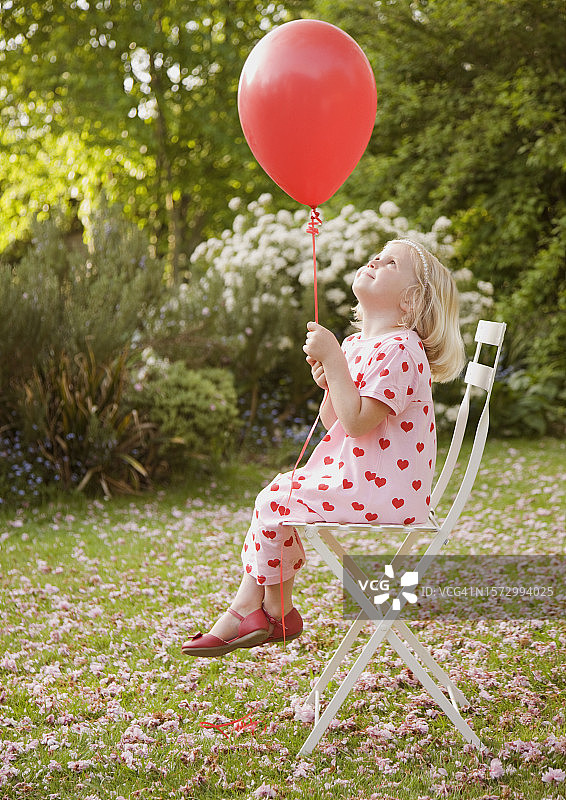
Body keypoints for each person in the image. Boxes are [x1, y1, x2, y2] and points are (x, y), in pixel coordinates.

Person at [181, 238, 465, 657]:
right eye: (378, 255)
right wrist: (333, 380)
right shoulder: (359, 346)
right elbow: (339, 424)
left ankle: (265, 610)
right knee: (278, 495)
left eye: (389, 263)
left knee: (276, 499)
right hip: (363, 478)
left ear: (409, 302)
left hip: (387, 489)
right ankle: (271, 610)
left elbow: (356, 421)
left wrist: (334, 362)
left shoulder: (402, 349)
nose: (375, 260)